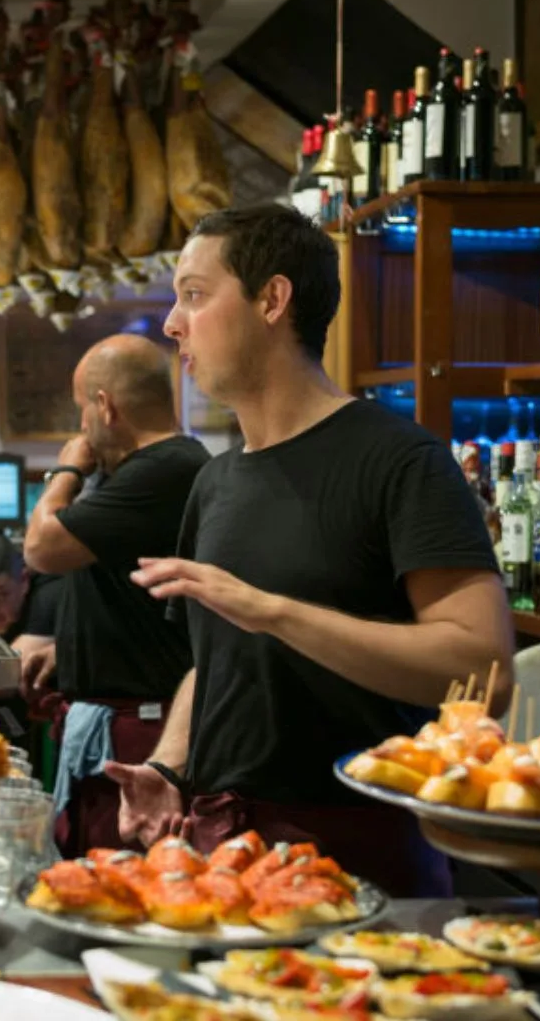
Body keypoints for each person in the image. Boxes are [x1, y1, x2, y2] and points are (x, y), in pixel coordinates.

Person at [114, 205, 513, 897]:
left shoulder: (400, 461)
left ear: (272, 299)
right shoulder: (216, 480)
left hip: (362, 855)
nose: (173, 323)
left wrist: (272, 610)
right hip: (222, 853)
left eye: (194, 294)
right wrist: (171, 765)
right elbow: (214, 663)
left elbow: (484, 674)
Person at [21, 335, 208, 855]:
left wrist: (65, 470)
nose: (81, 426)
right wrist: (73, 649)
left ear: (104, 405)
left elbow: (42, 546)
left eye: (82, 408)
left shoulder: (163, 468)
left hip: (141, 730)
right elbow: (131, 590)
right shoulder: (142, 470)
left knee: (114, 879)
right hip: (117, 713)